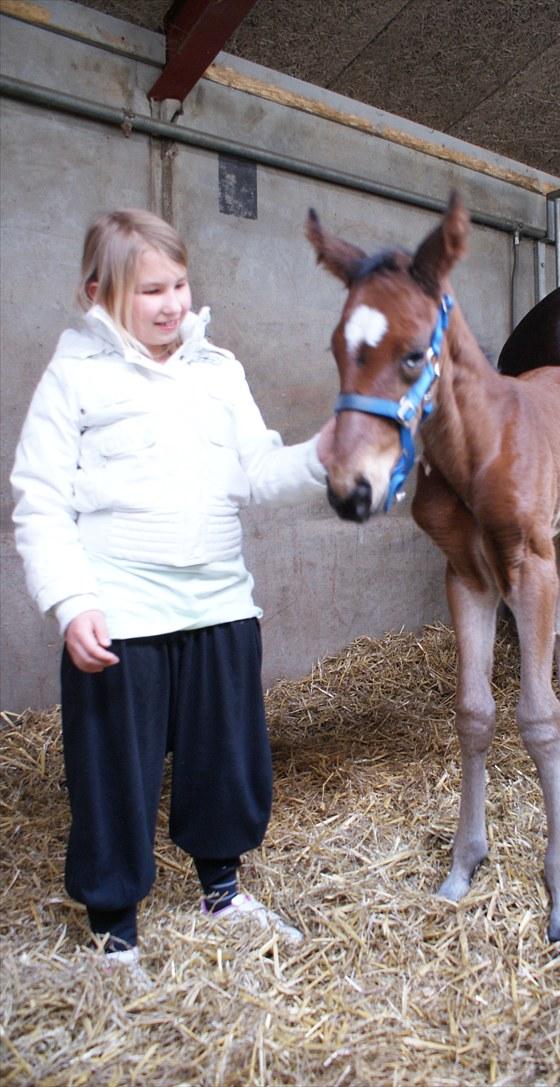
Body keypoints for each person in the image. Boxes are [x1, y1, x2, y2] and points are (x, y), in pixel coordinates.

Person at [11, 208, 334, 974]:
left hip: (219, 602)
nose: (172, 303)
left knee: (226, 759)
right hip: (121, 610)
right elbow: (39, 499)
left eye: (180, 284)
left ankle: (221, 891)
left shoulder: (217, 369)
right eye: (151, 290)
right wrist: (72, 602)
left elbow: (257, 471)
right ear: (100, 293)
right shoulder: (75, 375)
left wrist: (326, 451)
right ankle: (114, 929)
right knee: (113, 772)